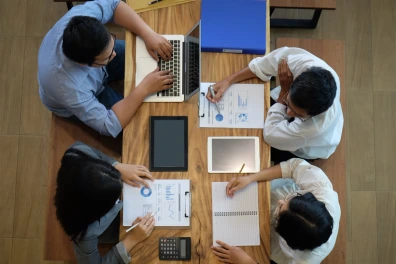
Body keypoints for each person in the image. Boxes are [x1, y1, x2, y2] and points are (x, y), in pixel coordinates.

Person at [38, 0, 174, 138]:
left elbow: (114, 5)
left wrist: (148, 34)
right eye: (108, 57)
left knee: (145, 54)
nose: (114, 55)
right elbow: (109, 124)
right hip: (85, 96)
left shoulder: (82, 19)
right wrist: (144, 88)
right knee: (139, 125)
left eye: (111, 41)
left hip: (92, 70)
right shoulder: (71, 91)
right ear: (83, 64)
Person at [206, 47, 344, 162]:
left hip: (309, 146)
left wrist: (284, 91)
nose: (288, 113)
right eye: (289, 104)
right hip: (294, 101)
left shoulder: (312, 128)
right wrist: (229, 81)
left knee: (257, 146)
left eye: (297, 114)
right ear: (294, 82)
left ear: (313, 115)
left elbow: (270, 134)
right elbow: (264, 64)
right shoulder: (306, 64)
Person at [211, 158, 341, 264]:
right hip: (278, 193)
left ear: (287, 237)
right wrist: (251, 178)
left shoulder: (304, 261)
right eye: (291, 200)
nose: (280, 202)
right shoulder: (323, 191)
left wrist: (247, 262)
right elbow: (293, 167)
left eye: (280, 211)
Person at [54, 141, 156, 263]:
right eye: (116, 198)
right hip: (110, 228)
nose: (123, 190)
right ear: (100, 211)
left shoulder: (76, 153)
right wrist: (132, 239)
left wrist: (117, 167)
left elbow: (78, 147)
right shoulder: (85, 235)